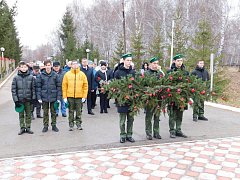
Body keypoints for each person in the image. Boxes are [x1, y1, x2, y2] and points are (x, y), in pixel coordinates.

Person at [114, 53, 135, 143]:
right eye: (127, 60)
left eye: (130, 60)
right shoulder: (118, 72)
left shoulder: (133, 72)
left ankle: (129, 135)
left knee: (131, 119)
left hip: (131, 99)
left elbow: (136, 85)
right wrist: (118, 97)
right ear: (123, 61)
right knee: (122, 119)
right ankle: (122, 135)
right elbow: (114, 86)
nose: (129, 62)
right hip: (122, 99)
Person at [62, 60, 88, 131]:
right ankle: (71, 125)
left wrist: (84, 96)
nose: (75, 65)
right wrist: (64, 97)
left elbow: (85, 86)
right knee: (71, 111)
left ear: (78, 65)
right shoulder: (67, 74)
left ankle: (78, 124)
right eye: (73, 64)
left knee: (79, 111)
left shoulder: (82, 74)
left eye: (76, 64)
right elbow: (64, 86)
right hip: (70, 96)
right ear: (71, 65)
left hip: (79, 96)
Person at [36, 60, 61, 133]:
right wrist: (39, 97)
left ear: (51, 66)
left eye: (49, 65)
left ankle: (54, 125)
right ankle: (45, 126)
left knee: (53, 112)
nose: (48, 66)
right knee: (45, 112)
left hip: (53, 96)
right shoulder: (41, 75)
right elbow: (38, 87)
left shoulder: (55, 75)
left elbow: (59, 87)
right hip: (44, 97)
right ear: (44, 66)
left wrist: (58, 98)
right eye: (46, 65)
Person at [167, 54, 189, 138]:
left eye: (181, 61)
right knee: (172, 114)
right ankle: (172, 131)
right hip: (172, 97)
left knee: (180, 114)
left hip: (182, 97)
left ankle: (178, 130)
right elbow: (167, 84)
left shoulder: (185, 72)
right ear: (174, 61)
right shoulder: (170, 72)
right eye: (178, 61)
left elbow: (188, 83)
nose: (180, 62)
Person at [11, 61, 36, 135]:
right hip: (20, 100)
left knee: (28, 114)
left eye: (25, 67)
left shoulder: (31, 77)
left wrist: (33, 99)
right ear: (19, 68)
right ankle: (22, 128)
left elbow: (33, 89)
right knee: (21, 115)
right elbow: (13, 90)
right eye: (22, 67)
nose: (23, 68)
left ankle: (28, 127)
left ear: (27, 67)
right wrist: (16, 101)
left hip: (28, 100)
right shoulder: (16, 78)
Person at [144, 57, 163, 140]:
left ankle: (156, 132)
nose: (156, 65)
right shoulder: (146, 73)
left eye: (157, 63)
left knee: (157, 116)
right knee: (149, 116)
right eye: (154, 63)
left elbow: (163, 83)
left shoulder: (159, 73)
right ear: (150, 64)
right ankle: (148, 133)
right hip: (150, 98)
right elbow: (143, 85)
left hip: (158, 98)